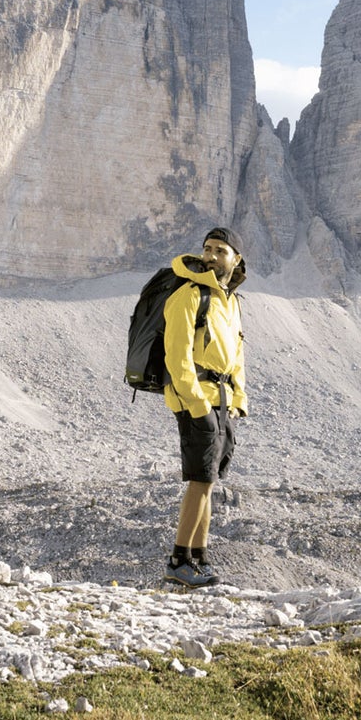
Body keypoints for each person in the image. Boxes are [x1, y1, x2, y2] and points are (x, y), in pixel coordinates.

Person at [162, 226, 247, 587]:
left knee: (208, 482)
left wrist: (238, 400)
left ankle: (200, 558)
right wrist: (196, 405)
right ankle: (179, 560)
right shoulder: (189, 294)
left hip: (222, 402)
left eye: (220, 250)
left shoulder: (229, 300)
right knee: (199, 481)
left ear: (236, 259)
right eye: (208, 248)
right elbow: (176, 355)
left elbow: (237, 353)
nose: (211, 255)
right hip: (198, 401)